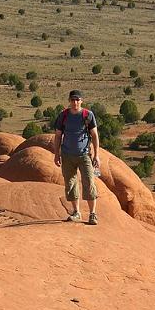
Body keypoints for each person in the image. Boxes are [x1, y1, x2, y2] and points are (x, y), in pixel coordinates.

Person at [54, 90, 100, 225]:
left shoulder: (88, 115)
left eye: (77, 100)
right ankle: (76, 212)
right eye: (72, 100)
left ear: (81, 101)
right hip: (67, 155)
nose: (75, 102)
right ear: (69, 101)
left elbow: (95, 135)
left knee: (89, 183)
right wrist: (56, 154)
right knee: (71, 184)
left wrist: (97, 155)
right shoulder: (63, 116)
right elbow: (58, 136)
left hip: (84, 155)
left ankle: (92, 214)